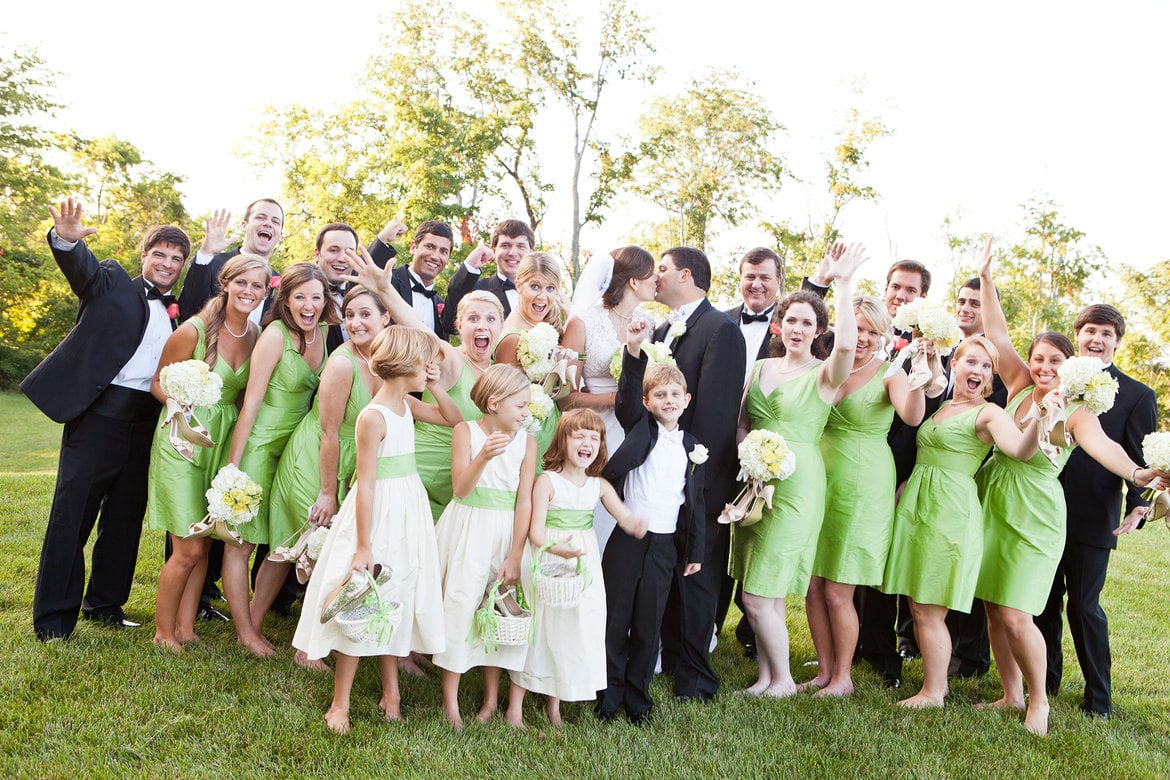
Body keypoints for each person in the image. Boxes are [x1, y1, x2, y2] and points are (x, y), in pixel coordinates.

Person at [973, 242, 1166, 734]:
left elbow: (1108, 450)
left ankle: (1042, 702)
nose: (1044, 367)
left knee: (1025, 610)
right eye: (1039, 358)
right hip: (995, 500)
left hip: (1038, 509)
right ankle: (1012, 692)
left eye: (1054, 361)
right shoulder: (1016, 382)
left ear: (1070, 365)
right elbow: (996, 331)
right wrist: (987, 278)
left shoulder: (1078, 410)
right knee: (996, 604)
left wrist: (1141, 477)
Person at [23, 199, 191, 641]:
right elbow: (84, 272)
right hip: (99, 415)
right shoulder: (113, 281)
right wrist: (67, 240)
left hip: (148, 420)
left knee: (124, 518)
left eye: (177, 258)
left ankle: (105, 605)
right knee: (72, 516)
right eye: (160, 254)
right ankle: (55, 620)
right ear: (144, 255)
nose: (167, 263)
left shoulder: (180, 311)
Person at [292, 325, 458, 733]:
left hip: (408, 509)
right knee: (362, 602)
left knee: (395, 596)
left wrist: (435, 387)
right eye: (425, 364)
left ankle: (392, 693)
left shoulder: (405, 402)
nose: (431, 369)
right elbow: (364, 484)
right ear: (404, 365)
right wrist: (363, 546)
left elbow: (452, 419)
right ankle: (339, 704)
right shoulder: (374, 416)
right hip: (378, 511)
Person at [730, 244, 866, 698]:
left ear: (819, 331)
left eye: (808, 322)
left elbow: (847, 344)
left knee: (758, 593)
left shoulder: (825, 375)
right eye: (791, 320)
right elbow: (743, 423)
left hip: (798, 485)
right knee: (756, 588)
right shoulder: (761, 367)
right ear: (778, 325)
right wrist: (747, 462)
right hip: (755, 484)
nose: (798, 328)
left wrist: (843, 283)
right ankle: (768, 677)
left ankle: (784, 680)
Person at [883, 336, 1041, 709]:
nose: (978, 371)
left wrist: (1042, 420)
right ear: (955, 364)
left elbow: (1019, 450)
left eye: (986, 366)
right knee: (918, 604)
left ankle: (934, 692)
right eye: (971, 362)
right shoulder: (942, 407)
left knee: (930, 605)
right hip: (918, 505)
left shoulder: (989, 413)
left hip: (948, 512)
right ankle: (933, 686)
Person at [804, 256, 933, 688]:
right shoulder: (828, 366)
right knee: (814, 583)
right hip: (820, 477)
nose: (861, 338)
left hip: (862, 483)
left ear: (883, 335)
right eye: (855, 328)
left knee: (840, 589)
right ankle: (823, 671)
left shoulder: (890, 374)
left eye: (871, 331)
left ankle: (843, 677)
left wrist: (918, 377)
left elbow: (913, 417)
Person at [1035, 303, 1158, 719]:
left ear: (1117, 341)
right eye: (1089, 330)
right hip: (1042, 509)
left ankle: (1099, 700)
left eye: (1106, 333)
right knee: (1044, 602)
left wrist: (1138, 507)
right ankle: (1045, 683)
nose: (1096, 339)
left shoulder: (1139, 395)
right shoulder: (1056, 384)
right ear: (1079, 335)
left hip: (1094, 514)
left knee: (1084, 606)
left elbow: (1138, 456)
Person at [259, 286, 390, 667]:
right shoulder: (343, 362)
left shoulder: (385, 360)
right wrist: (327, 492)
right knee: (299, 544)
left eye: (365, 314)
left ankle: (275, 630)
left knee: (321, 548)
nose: (355, 322)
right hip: (318, 460)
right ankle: (288, 642)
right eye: (350, 315)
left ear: (386, 318)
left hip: (354, 462)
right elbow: (330, 432)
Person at [148, 255, 269, 651]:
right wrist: (178, 408)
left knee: (207, 538)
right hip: (184, 440)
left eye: (257, 286)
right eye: (243, 283)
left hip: (223, 442)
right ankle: (163, 632)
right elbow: (157, 382)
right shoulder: (193, 330)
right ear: (227, 283)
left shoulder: (255, 334)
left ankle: (186, 627)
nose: (249, 292)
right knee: (188, 546)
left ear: (265, 291)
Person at [335, 244, 507, 522]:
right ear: (459, 326)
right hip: (418, 478)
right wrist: (384, 290)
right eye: (473, 318)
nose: (482, 326)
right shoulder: (451, 360)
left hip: (457, 491)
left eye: (490, 319)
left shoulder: (501, 374)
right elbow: (419, 328)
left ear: (502, 326)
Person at [220, 262, 339, 657]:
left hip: (296, 447)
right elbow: (250, 400)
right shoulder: (274, 335)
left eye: (316, 297)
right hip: (260, 442)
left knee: (284, 538)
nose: (308, 305)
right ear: (285, 300)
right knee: (242, 543)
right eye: (300, 297)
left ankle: (255, 619)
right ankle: (245, 633)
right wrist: (233, 465)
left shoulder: (325, 330)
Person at [510, 409, 647, 727]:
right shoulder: (547, 482)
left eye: (595, 438)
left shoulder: (597, 485)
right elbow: (536, 532)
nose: (587, 443)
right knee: (541, 628)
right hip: (549, 560)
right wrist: (557, 549)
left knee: (569, 629)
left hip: (582, 566)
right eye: (579, 436)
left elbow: (622, 514)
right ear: (563, 440)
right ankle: (515, 706)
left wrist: (635, 524)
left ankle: (554, 705)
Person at [650, 246, 745, 701]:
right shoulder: (665, 328)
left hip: (698, 473)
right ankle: (671, 659)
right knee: (669, 568)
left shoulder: (721, 329)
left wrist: (695, 478)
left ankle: (696, 677)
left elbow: (716, 412)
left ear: (685, 275)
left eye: (662, 269)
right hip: (662, 470)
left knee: (698, 576)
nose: (655, 275)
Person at [596, 329, 705, 725]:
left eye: (675, 394)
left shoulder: (693, 446)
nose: (668, 400)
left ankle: (638, 699)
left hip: (664, 545)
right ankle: (609, 695)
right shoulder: (641, 429)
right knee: (616, 617)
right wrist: (634, 350)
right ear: (647, 402)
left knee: (648, 621)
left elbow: (695, 504)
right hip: (627, 540)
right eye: (660, 395)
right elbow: (625, 396)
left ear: (686, 400)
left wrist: (694, 552)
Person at [432, 365, 537, 730]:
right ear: (494, 403)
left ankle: (493, 699)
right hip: (468, 527)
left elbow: (524, 501)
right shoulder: (466, 432)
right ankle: (451, 703)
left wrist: (515, 553)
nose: (527, 413)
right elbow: (461, 488)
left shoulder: (527, 441)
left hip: (505, 531)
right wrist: (484, 456)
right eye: (521, 406)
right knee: (460, 604)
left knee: (499, 612)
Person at [562, 246, 658, 551]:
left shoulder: (648, 324)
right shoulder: (583, 323)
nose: (657, 279)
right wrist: (614, 399)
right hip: (596, 430)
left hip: (637, 433)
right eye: (651, 273)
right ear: (633, 281)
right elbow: (565, 397)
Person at [720, 246, 784, 659]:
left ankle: (754, 631)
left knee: (757, 537)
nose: (756, 284)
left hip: (766, 447)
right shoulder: (719, 321)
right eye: (749, 276)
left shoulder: (792, 325)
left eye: (764, 277)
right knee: (714, 536)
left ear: (779, 281)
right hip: (717, 440)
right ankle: (709, 622)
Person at [493, 252, 570, 459]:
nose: (542, 297)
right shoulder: (512, 338)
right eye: (535, 286)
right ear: (519, 285)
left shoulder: (542, 327)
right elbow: (509, 401)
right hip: (525, 435)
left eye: (550, 288)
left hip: (549, 425)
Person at [177, 198, 283, 321]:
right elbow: (186, 313)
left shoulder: (281, 284)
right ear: (244, 225)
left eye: (275, 221)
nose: (268, 223)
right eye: (260, 217)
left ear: (280, 235)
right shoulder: (212, 263)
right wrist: (205, 253)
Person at [441, 219, 535, 331]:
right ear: (493, 250)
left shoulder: (544, 293)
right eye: (505, 245)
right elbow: (449, 324)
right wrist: (470, 265)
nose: (512, 253)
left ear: (532, 252)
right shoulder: (478, 290)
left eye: (520, 246)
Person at [367, 220, 454, 340]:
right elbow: (357, 285)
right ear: (413, 247)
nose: (435, 256)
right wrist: (382, 239)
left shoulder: (441, 304)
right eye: (429, 247)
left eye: (443, 251)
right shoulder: (387, 282)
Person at [311, 222, 361, 352]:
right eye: (333, 250)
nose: (342, 259)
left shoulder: (364, 296)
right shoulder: (301, 297)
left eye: (349, 252)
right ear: (317, 254)